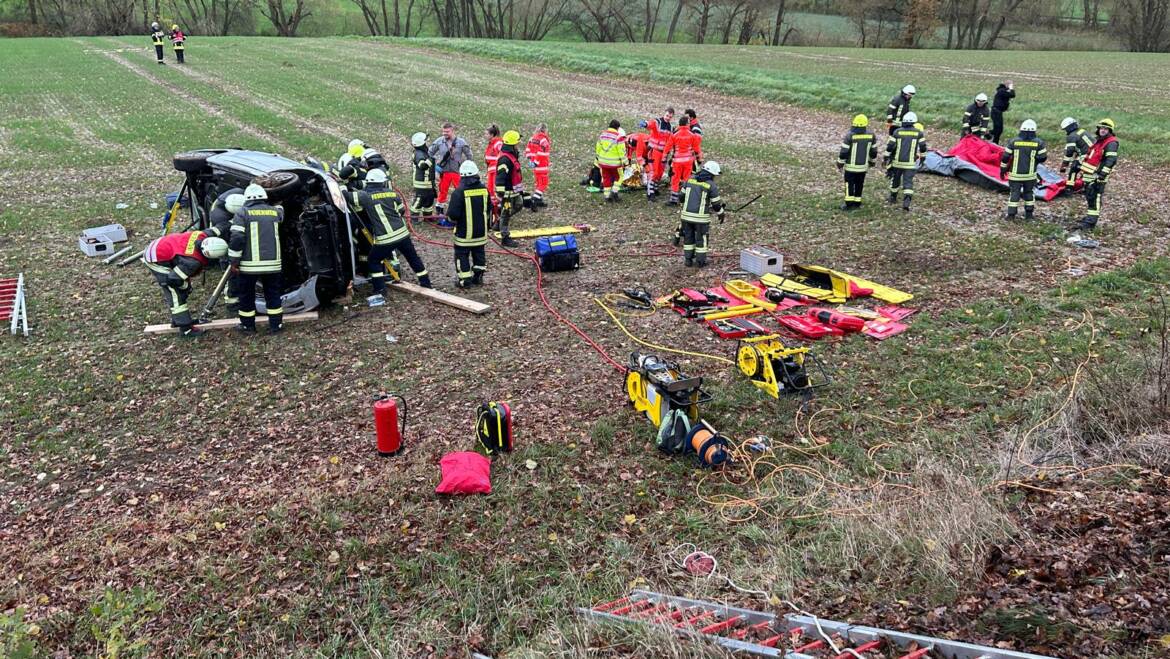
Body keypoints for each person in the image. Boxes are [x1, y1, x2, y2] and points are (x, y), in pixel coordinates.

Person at [351, 169, 431, 303]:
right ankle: (426, 283)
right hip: (402, 234)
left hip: (385, 239)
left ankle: (380, 290)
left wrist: (342, 183)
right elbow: (401, 210)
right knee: (413, 257)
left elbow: (346, 196)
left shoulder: (364, 196)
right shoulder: (392, 194)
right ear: (382, 182)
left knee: (374, 260)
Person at [143, 230, 227, 337]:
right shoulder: (193, 262)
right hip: (155, 257)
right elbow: (173, 280)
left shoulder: (202, 235)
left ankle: (177, 320)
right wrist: (186, 287)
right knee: (175, 293)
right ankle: (185, 328)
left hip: (162, 246)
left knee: (182, 288)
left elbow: (218, 228)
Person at [229, 184, 285, 334]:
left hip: (249, 266)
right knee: (273, 295)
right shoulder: (274, 212)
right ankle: (276, 326)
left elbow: (237, 238)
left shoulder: (242, 213)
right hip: (273, 264)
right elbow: (281, 211)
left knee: (247, 296)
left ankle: (248, 326)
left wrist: (233, 260)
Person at [447, 161, 490, 288]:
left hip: (464, 235)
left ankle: (464, 281)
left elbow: (453, 215)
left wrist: (449, 220)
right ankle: (478, 277)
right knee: (479, 254)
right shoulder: (484, 189)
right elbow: (489, 209)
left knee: (462, 255)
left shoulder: (458, 192)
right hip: (481, 233)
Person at [1074, 118, 1119, 232]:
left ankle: (1090, 223)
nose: (1103, 130)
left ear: (1110, 130)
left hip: (1098, 177)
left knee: (1095, 198)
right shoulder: (1099, 141)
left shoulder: (1111, 143)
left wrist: (1102, 174)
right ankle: (1089, 218)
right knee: (1090, 197)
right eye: (1101, 128)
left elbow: (1111, 160)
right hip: (1090, 175)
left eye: (1106, 129)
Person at [679, 161, 724, 268]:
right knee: (701, 238)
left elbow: (681, 196)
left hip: (685, 217)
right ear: (711, 174)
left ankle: (688, 260)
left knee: (688, 238)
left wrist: (684, 206)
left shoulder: (690, 179)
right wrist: (721, 213)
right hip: (701, 219)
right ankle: (700, 261)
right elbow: (716, 204)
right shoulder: (710, 185)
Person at [999, 119, 1047, 221]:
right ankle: (1029, 215)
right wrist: (1034, 161)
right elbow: (1043, 157)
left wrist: (1003, 169)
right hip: (1030, 176)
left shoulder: (1014, 142)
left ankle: (1011, 216)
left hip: (1015, 176)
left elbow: (1005, 157)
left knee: (1014, 194)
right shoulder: (1039, 143)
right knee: (1029, 194)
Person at [883, 111, 927, 211]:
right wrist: (923, 157)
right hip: (910, 163)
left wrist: (886, 157)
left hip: (897, 162)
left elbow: (890, 146)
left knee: (895, 180)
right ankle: (907, 198)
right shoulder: (918, 133)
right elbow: (923, 146)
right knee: (908, 181)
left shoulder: (897, 132)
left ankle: (893, 197)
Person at [428, 123, 473, 216]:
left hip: (457, 172)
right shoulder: (439, 141)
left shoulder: (461, 142)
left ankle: (464, 209)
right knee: (442, 191)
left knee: (460, 191)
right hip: (444, 172)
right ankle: (439, 209)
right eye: (443, 131)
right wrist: (434, 164)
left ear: (452, 131)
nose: (445, 133)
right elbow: (429, 152)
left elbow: (469, 155)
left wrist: (467, 167)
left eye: (447, 132)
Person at [495, 130, 529, 248]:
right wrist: (501, 192)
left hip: (513, 190)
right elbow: (500, 176)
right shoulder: (505, 159)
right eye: (517, 143)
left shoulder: (512, 155)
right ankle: (505, 237)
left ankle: (499, 223)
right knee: (506, 212)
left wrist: (521, 191)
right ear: (512, 144)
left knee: (519, 205)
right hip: (507, 193)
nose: (518, 145)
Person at [837, 114, 878, 210]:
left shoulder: (850, 135)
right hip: (863, 167)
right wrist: (872, 162)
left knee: (849, 184)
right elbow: (874, 151)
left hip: (851, 167)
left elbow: (844, 151)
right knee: (860, 183)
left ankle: (848, 203)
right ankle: (857, 202)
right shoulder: (871, 135)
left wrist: (840, 163)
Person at [662, 115, 703, 206]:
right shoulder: (692, 134)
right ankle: (686, 199)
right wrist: (699, 159)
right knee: (687, 180)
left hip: (677, 162)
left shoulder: (675, 134)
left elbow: (667, 147)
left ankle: (673, 200)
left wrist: (664, 158)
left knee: (675, 180)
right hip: (688, 161)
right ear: (686, 124)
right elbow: (697, 149)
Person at [644, 107, 675, 201]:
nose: (668, 118)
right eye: (667, 115)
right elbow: (650, 124)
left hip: (664, 153)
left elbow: (670, 141)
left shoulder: (670, 127)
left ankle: (655, 188)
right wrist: (645, 124)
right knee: (654, 172)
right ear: (664, 114)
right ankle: (650, 193)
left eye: (670, 116)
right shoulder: (658, 122)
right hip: (655, 151)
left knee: (660, 173)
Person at [594, 120, 628, 204]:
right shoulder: (619, 137)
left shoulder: (602, 135)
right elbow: (621, 151)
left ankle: (606, 196)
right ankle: (614, 191)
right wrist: (625, 162)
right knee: (619, 177)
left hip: (602, 162)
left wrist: (598, 158)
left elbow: (598, 147)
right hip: (614, 163)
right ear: (618, 128)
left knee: (606, 178)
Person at [410, 132, 437, 219]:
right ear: (422, 143)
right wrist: (430, 159)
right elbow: (422, 166)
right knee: (420, 200)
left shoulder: (424, 152)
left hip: (428, 182)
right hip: (421, 183)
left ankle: (428, 217)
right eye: (425, 141)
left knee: (429, 200)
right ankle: (413, 217)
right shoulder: (418, 154)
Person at [1059, 117, 1094, 187]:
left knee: (1074, 168)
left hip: (1087, 155)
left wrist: (1064, 165)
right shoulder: (1082, 131)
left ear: (1069, 128)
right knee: (1088, 172)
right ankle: (1088, 186)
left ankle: (1069, 187)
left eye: (1066, 129)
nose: (1066, 131)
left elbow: (1069, 152)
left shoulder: (1071, 136)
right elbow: (1083, 145)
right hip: (1095, 154)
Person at [525, 123, 552, 207]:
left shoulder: (532, 138)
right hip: (542, 165)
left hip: (534, 165)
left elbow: (527, 149)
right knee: (543, 184)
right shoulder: (543, 140)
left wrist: (530, 160)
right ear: (545, 130)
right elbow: (541, 153)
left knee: (538, 182)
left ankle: (539, 200)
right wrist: (536, 162)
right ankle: (534, 200)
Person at [484, 125, 503, 204]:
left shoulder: (497, 143)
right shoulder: (491, 143)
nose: (485, 136)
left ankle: (498, 204)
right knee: (490, 187)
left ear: (492, 135)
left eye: (486, 134)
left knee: (495, 187)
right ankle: (493, 203)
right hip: (491, 169)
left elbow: (502, 154)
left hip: (495, 169)